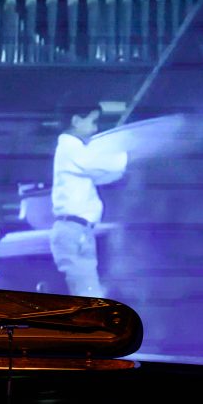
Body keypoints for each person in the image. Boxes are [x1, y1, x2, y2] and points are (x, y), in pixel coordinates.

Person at [50, 103, 128, 297]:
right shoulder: (70, 147)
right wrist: (127, 151)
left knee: (88, 290)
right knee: (87, 292)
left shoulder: (75, 152)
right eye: (92, 121)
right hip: (73, 231)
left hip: (79, 230)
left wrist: (121, 168)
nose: (95, 128)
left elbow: (102, 174)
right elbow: (96, 164)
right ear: (76, 121)